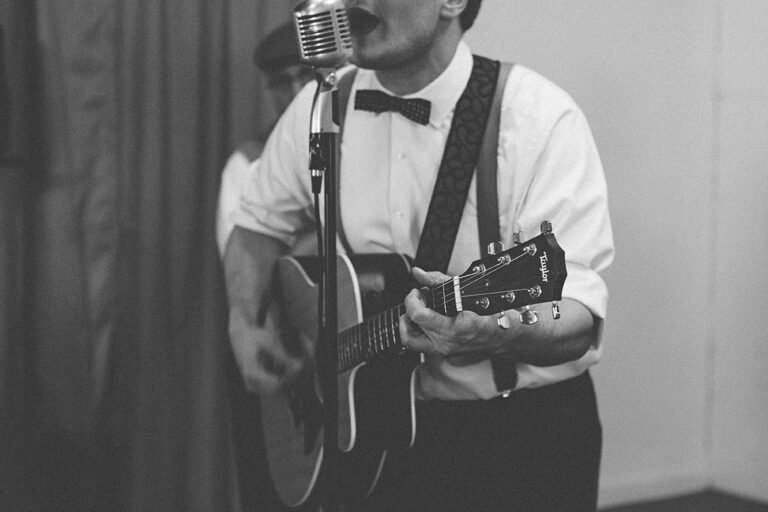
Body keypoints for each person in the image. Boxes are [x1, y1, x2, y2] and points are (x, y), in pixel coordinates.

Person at [224, 0, 614, 510]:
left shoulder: (538, 119)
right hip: (368, 439)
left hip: (514, 435)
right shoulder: (319, 107)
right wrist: (243, 322)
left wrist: (495, 331)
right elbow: (255, 226)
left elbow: (577, 312)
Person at [215, 21, 314, 256]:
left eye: (307, 76)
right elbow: (245, 263)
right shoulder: (248, 161)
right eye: (282, 82)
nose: (298, 91)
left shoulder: (359, 139)